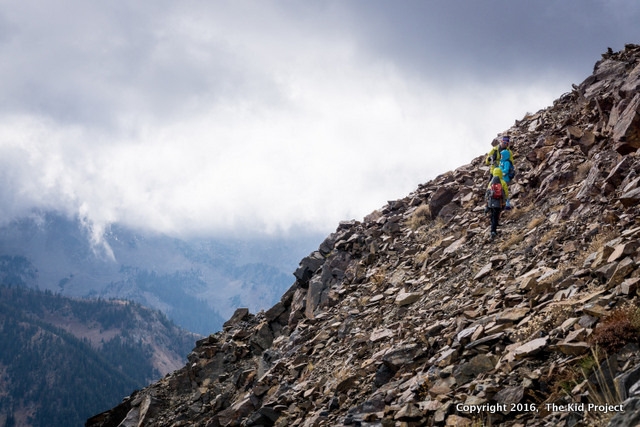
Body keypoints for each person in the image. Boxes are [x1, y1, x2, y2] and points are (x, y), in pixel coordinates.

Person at [485, 168, 509, 238]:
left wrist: (486, 204)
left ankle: (493, 228)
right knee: (496, 214)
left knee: (493, 215)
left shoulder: (490, 183)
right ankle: (493, 230)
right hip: (499, 203)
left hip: (490, 203)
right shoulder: (503, 182)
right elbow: (505, 193)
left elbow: (487, 194)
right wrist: (504, 202)